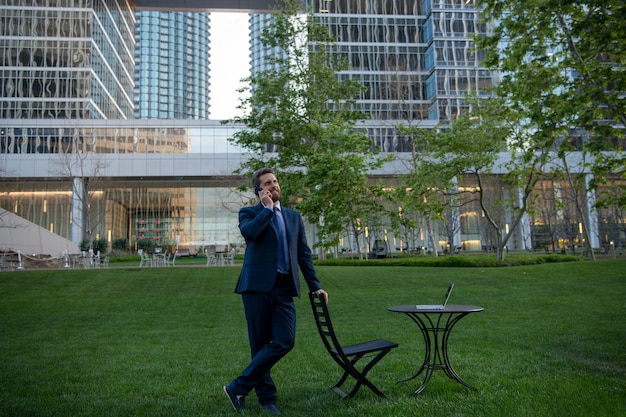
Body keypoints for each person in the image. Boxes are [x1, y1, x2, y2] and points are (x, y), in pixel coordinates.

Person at [224, 167, 328, 415]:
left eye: (275, 181)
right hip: (256, 287)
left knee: (285, 341)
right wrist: (267, 209)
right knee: (259, 344)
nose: (273, 186)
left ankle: (238, 386)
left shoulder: (293, 217)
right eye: (267, 183)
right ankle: (267, 398)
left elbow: (303, 253)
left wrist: (316, 285)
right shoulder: (249, 213)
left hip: (284, 288)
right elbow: (250, 234)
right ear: (259, 190)